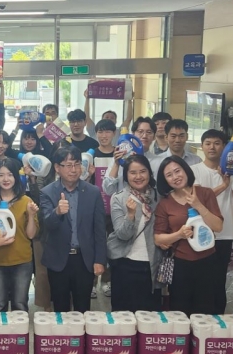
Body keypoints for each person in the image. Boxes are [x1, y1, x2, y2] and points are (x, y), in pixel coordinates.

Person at [190, 129, 233, 314]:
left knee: (218, 282)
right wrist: (223, 185)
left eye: (217, 143)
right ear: (202, 146)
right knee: (198, 281)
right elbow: (198, 199)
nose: (212, 147)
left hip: (224, 234)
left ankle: (217, 320)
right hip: (199, 233)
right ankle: (196, 319)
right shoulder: (193, 171)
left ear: (225, 147)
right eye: (208, 143)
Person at [154, 155, 223, 316]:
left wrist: (198, 205)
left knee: (205, 311)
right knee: (180, 311)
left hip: (207, 261)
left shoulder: (205, 193)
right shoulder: (165, 203)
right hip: (180, 264)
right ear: (165, 180)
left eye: (177, 171)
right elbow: (158, 239)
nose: (175, 177)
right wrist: (179, 234)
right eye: (169, 175)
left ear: (186, 170)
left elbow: (218, 226)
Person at [40, 146, 106, 312]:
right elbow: (47, 224)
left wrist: (99, 260)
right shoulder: (47, 192)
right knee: (60, 309)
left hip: (84, 260)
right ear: (57, 167)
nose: (74, 169)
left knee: (83, 308)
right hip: (58, 260)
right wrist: (57, 212)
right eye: (68, 165)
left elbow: (99, 229)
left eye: (77, 164)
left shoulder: (93, 192)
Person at [0, 158, 39, 312]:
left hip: (22, 261)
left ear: (16, 177)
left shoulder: (26, 201)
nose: (6, 179)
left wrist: (32, 215)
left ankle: (19, 330)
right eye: (1, 175)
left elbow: (31, 235)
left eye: (10, 175)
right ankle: (0, 330)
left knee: (20, 304)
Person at [107, 155, 162, 312]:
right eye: (133, 173)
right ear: (126, 176)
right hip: (124, 263)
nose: (138, 176)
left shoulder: (159, 197)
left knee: (150, 314)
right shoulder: (118, 198)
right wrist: (130, 215)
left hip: (152, 264)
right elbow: (122, 234)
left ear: (149, 173)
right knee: (123, 314)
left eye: (142, 171)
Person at [88, 118, 117, 298]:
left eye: (107, 132)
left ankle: (108, 281)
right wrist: (89, 174)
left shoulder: (120, 153)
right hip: (95, 206)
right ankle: (91, 282)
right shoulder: (90, 154)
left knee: (112, 244)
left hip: (116, 208)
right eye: (100, 131)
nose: (103, 135)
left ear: (114, 134)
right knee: (93, 244)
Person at [103, 116, 157, 196]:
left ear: (154, 136)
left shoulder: (158, 161)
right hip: (122, 202)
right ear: (133, 134)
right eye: (140, 131)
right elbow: (108, 190)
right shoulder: (120, 158)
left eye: (149, 132)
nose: (144, 136)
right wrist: (116, 164)